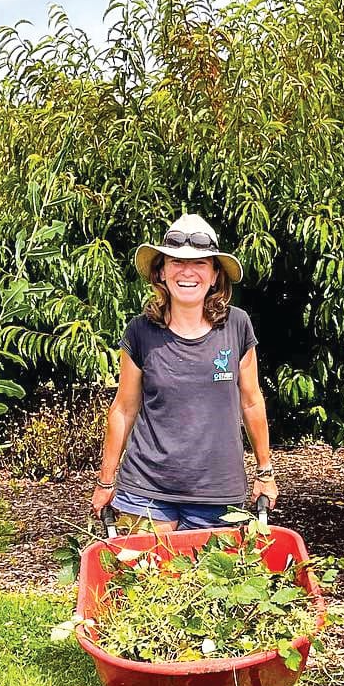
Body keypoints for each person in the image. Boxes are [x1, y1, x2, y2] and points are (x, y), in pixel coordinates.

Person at [91, 214, 278, 531]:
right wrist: (106, 480)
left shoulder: (237, 326)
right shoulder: (140, 332)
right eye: (176, 262)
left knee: (210, 579)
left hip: (217, 490)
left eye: (201, 263)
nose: (187, 272)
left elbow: (251, 401)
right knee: (149, 578)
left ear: (215, 275)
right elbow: (123, 408)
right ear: (161, 271)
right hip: (147, 488)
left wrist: (265, 472)